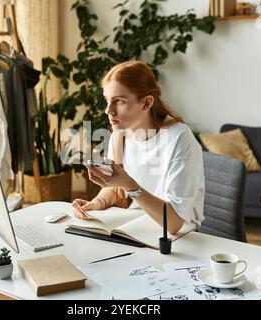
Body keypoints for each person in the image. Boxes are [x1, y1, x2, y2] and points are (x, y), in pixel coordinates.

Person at [72, 60, 205, 234]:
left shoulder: (179, 138)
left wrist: (131, 186)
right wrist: (97, 203)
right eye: (107, 100)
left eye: (119, 101)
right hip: (137, 229)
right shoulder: (120, 135)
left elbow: (174, 224)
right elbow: (115, 187)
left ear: (146, 103)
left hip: (181, 237)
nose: (108, 110)